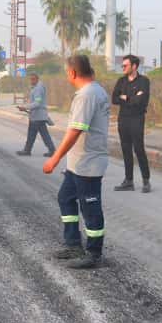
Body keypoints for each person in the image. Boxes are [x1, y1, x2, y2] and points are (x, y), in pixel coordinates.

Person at [42, 55, 110, 270]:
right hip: (78, 163)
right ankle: (73, 244)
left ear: (72, 73)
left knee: (90, 208)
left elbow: (76, 129)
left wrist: (55, 157)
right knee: (65, 197)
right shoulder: (93, 91)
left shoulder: (88, 94)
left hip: (88, 163)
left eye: (66, 73)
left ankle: (94, 253)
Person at [111, 54, 151, 192]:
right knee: (125, 149)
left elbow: (140, 101)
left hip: (137, 119)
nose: (123, 67)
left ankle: (146, 181)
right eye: (122, 65)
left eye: (125, 65)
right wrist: (131, 98)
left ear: (134, 66)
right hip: (123, 119)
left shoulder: (144, 81)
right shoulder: (121, 81)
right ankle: (129, 181)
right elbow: (114, 99)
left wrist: (125, 97)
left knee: (139, 149)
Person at [16, 73, 56, 157]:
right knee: (35, 134)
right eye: (30, 79)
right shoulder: (36, 88)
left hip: (38, 117)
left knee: (38, 134)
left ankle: (28, 150)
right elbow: (35, 101)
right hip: (36, 116)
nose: (31, 81)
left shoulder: (38, 89)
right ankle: (28, 150)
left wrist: (25, 107)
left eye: (33, 79)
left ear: (37, 79)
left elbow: (37, 103)